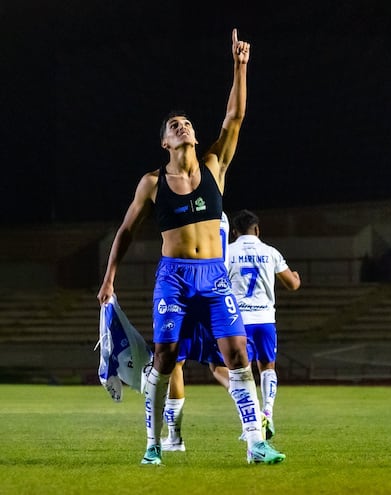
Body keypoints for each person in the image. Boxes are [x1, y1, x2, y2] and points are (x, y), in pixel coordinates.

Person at [97, 28, 285, 466]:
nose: (182, 126)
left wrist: (240, 66)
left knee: (237, 352)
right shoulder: (153, 183)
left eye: (186, 124)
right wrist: (109, 276)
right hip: (174, 278)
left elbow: (234, 118)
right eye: (173, 126)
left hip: (215, 277)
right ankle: (152, 444)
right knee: (164, 358)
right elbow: (125, 232)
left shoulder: (215, 165)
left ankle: (256, 441)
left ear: (195, 137)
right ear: (165, 142)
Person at [226, 209, 301, 440]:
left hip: (239, 322)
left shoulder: (227, 252)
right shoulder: (270, 252)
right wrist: (296, 276)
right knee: (267, 367)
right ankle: (267, 411)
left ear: (234, 232)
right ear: (257, 229)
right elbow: (292, 285)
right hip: (265, 320)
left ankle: (251, 423)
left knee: (242, 373)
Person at [161, 212, 230, 452]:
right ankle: (251, 418)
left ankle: (175, 438)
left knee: (174, 364)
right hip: (216, 289)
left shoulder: (187, 209)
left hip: (187, 285)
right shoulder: (221, 215)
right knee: (220, 366)